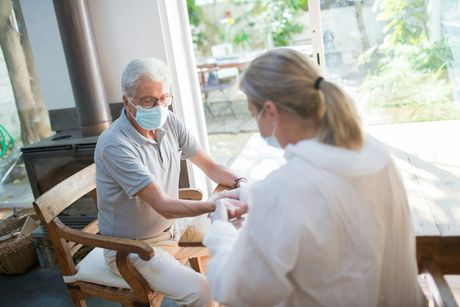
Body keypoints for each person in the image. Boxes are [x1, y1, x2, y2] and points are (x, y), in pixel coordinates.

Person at [203, 48, 426, 306]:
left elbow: (238, 291)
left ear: (271, 112)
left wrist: (220, 229)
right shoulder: (375, 155)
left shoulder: (285, 190)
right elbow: (335, 203)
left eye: (254, 115)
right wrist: (252, 196)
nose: (257, 125)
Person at [94, 57, 247, 307]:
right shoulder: (115, 145)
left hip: (171, 228)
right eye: (148, 101)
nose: (159, 106)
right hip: (131, 248)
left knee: (240, 251)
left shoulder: (168, 121)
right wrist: (215, 205)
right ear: (127, 101)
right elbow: (164, 204)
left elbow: (211, 167)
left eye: (164, 98)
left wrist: (242, 182)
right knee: (203, 293)